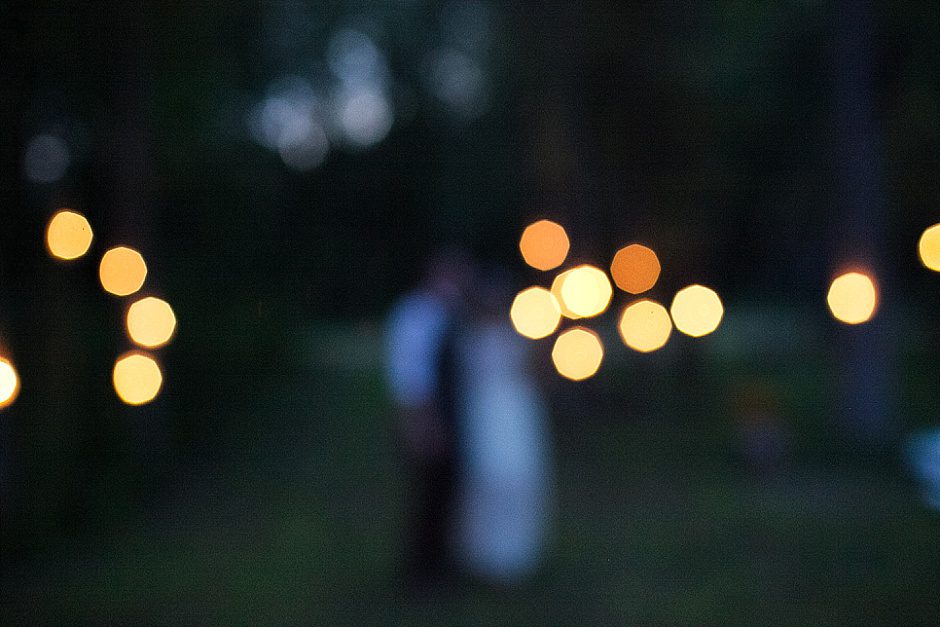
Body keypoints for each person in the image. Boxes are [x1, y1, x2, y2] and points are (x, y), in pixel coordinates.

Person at [454, 270, 553, 583]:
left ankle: (517, 555)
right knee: (486, 479)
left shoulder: (518, 335)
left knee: (518, 478)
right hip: (484, 415)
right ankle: (485, 555)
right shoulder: (467, 338)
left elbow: (537, 371)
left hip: (515, 414)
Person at [384, 250, 470, 590]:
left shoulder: (449, 314)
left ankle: (439, 564)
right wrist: (422, 422)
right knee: (427, 497)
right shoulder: (415, 314)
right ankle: (419, 573)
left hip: (449, 416)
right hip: (428, 417)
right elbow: (410, 373)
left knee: (445, 494)